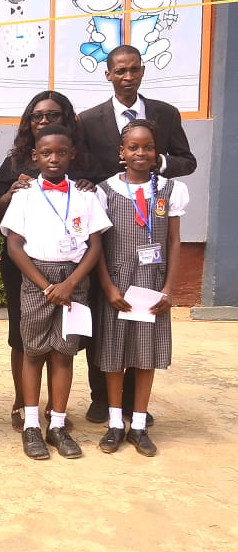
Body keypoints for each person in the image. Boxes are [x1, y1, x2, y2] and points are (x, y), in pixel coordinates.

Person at [78, 44, 196, 425]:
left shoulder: (165, 114)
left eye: (134, 70)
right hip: (111, 230)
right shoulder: (88, 120)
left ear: (143, 71)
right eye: (120, 71)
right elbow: (81, 168)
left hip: (151, 227)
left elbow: (187, 161)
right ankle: (103, 399)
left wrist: (154, 161)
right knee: (106, 321)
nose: (127, 77)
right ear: (108, 75)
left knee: (143, 325)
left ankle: (135, 406)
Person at [1, 126, 111, 461]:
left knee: (64, 353)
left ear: (71, 155)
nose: (54, 158)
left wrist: (70, 284)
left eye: (61, 152)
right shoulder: (25, 195)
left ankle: (58, 425)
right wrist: (46, 285)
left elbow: (95, 246)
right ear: (35, 157)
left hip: (73, 281)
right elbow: (14, 246)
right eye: (46, 153)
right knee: (33, 352)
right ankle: (32, 425)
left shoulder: (85, 196)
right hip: (37, 280)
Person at [0, 91, 87, 430]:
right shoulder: (16, 161)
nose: (44, 121)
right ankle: (22, 402)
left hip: (69, 265)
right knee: (23, 333)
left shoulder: (77, 160)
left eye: (52, 115)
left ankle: (56, 409)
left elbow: (89, 199)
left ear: (66, 120)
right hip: (25, 264)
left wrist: (86, 184)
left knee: (63, 336)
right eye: (37, 116)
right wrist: (11, 191)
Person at [95, 120, 186, 457]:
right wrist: (107, 287)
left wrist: (168, 289)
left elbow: (174, 241)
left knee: (145, 355)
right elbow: (97, 246)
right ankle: (115, 423)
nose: (140, 153)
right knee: (115, 355)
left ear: (156, 151)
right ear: (122, 152)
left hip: (152, 283)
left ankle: (137, 425)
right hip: (118, 284)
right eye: (133, 147)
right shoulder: (105, 191)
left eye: (148, 147)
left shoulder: (170, 190)